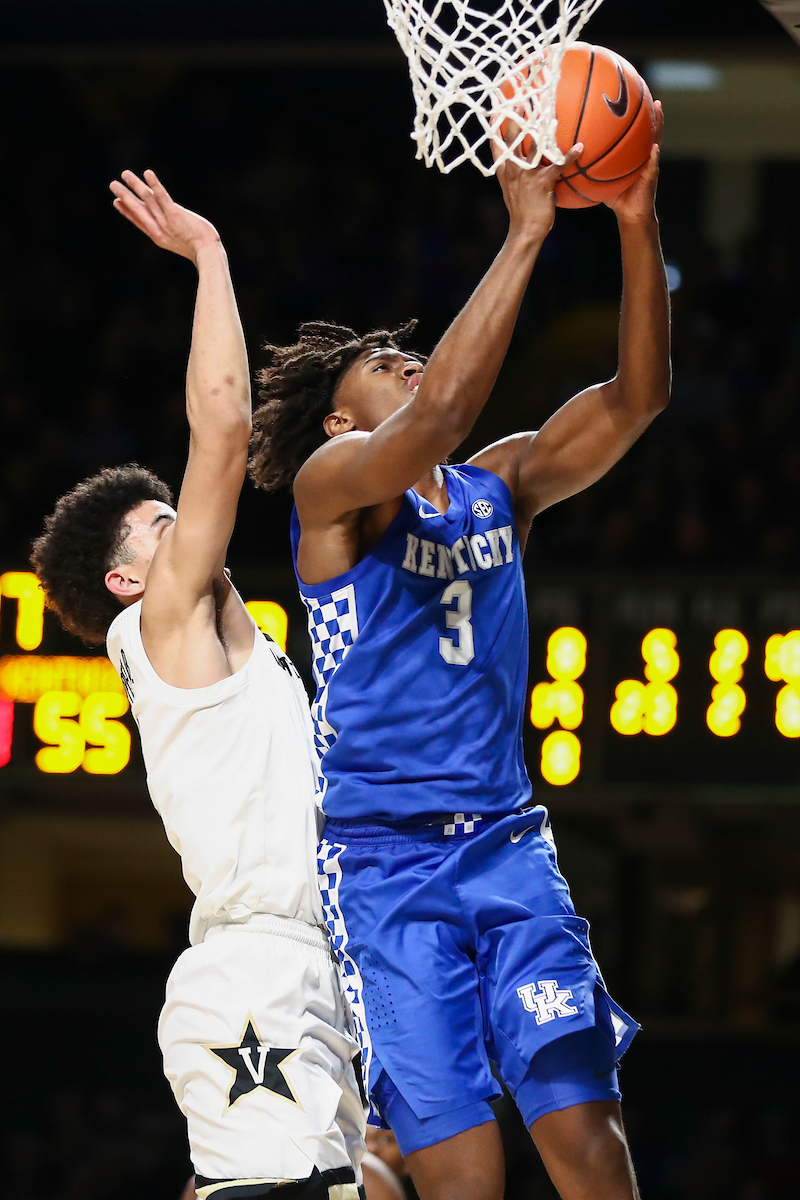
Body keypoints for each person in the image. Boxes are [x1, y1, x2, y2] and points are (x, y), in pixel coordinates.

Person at [248, 107, 669, 1200]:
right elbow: (435, 418)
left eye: (407, 353)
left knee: (585, 1136)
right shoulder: (330, 494)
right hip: (380, 866)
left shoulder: (502, 485)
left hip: (505, 845)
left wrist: (633, 220)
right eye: (378, 364)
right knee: (464, 1177)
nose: (405, 360)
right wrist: (525, 231)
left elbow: (635, 400)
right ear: (339, 424)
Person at [31, 171, 366, 1200]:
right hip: (255, 967)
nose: (189, 526)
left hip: (313, 964)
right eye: (162, 524)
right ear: (125, 580)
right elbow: (222, 427)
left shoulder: (242, 650)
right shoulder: (158, 622)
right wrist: (209, 253)